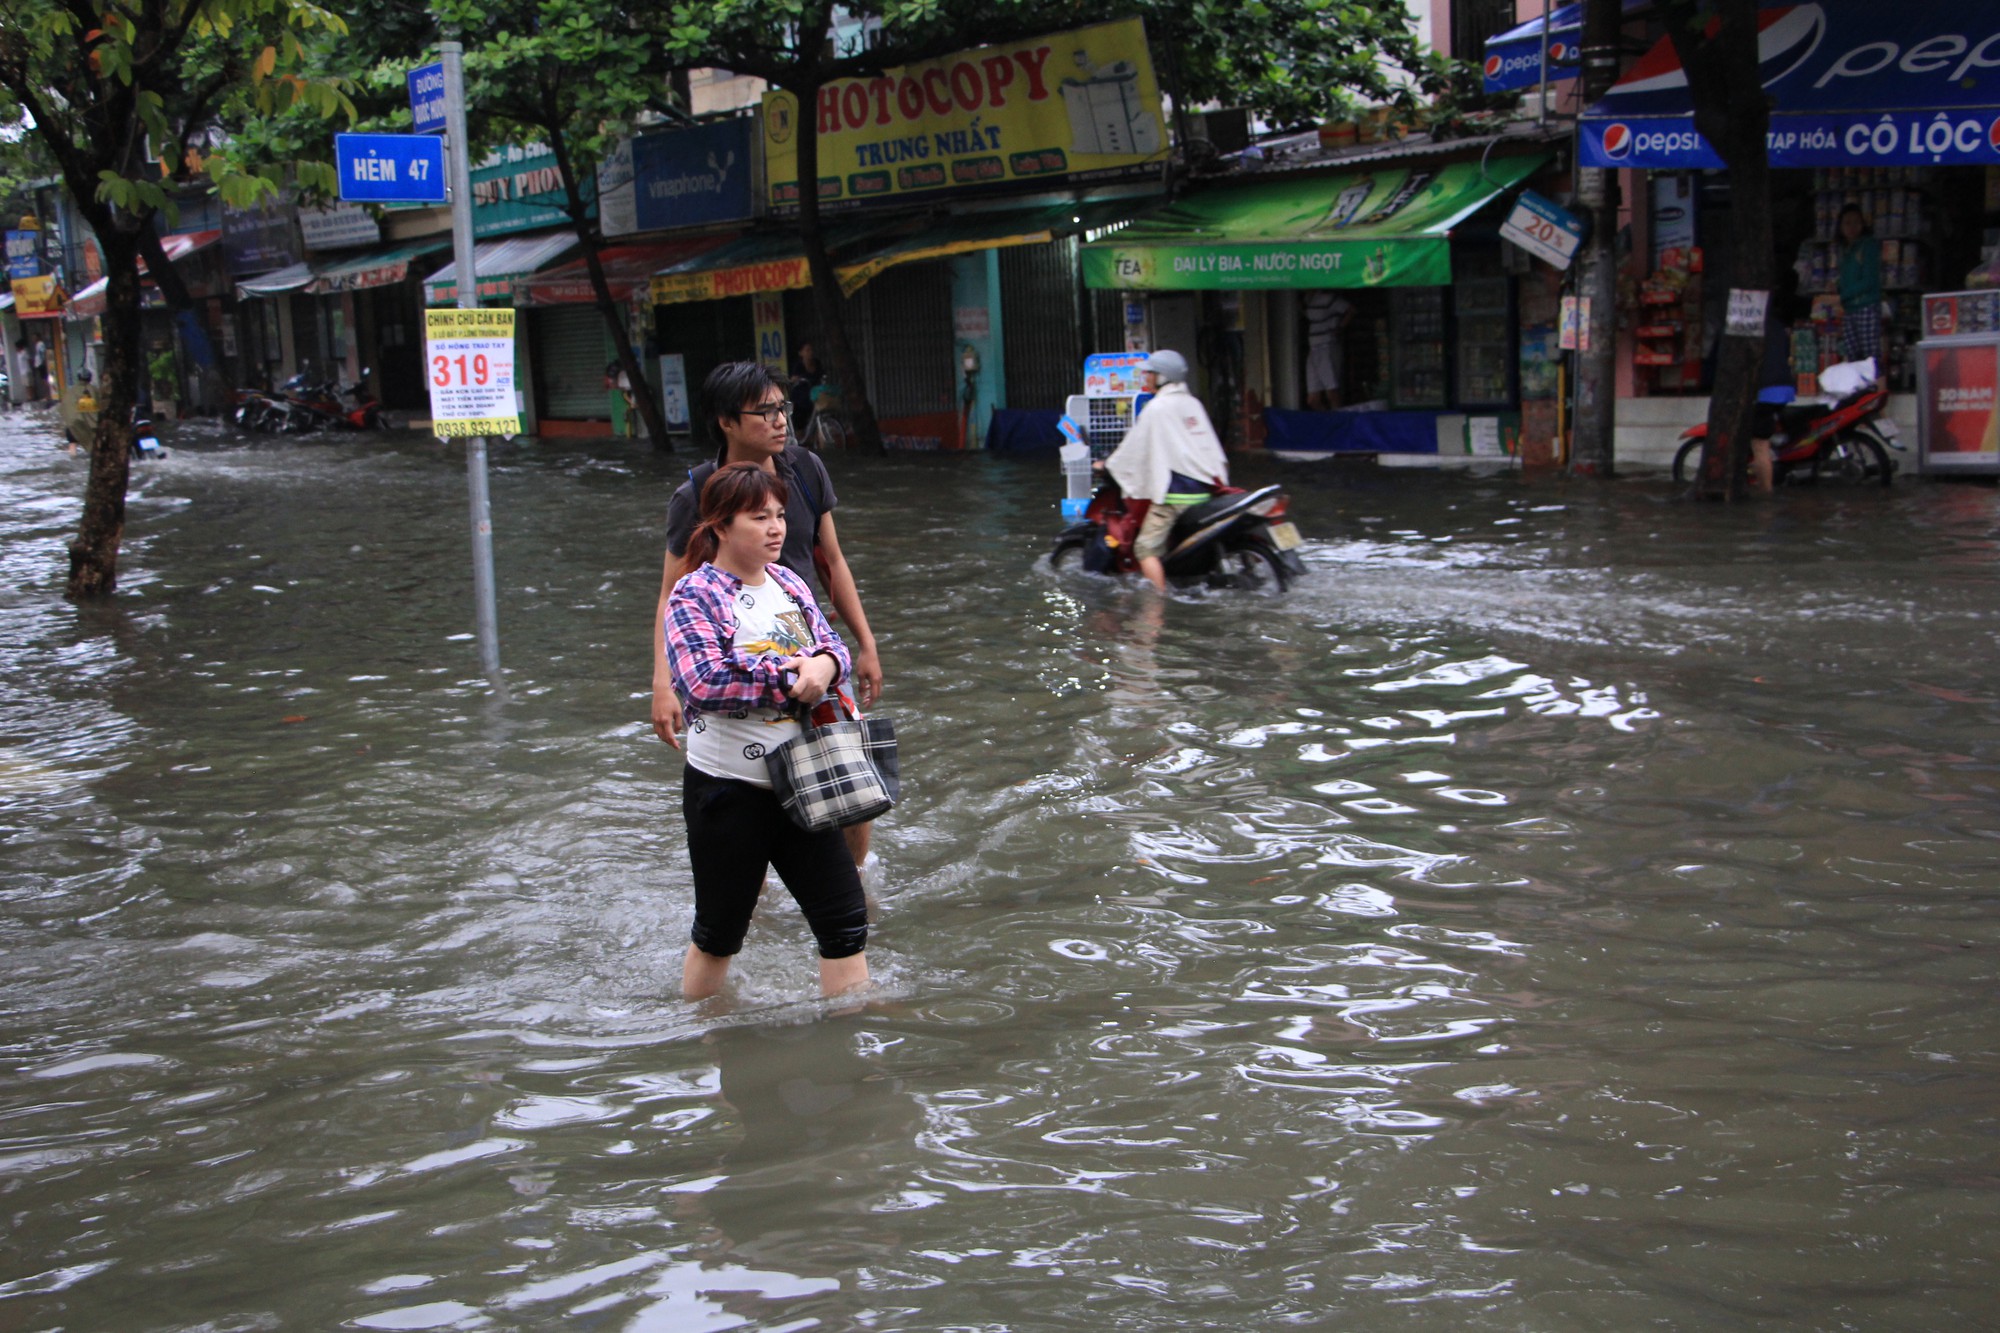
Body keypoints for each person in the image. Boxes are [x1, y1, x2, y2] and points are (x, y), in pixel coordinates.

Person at [652, 360, 883, 867]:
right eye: (765, 412)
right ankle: (751, 906)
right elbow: (673, 596)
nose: (781, 421)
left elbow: (832, 561)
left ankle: (851, 887)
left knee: (851, 780)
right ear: (727, 422)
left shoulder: (806, 470)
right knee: (749, 794)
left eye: (784, 408)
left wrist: (863, 645)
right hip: (738, 664)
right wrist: (664, 684)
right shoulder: (697, 494)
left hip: (813, 650)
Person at [665, 462, 869, 1000]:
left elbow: (833, 647)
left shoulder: (790, 581)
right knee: (720, 932)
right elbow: (702, 682)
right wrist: (792, 679)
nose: (777, 527)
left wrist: (826, 665)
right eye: (760, 517)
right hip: (729, 792)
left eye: (780, 515)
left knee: (845, 924)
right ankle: (710, 1047)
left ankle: (851, 1056)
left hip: (805, 782)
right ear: (720, 525)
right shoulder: (695, 594)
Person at [1103, 349, 1229, 595]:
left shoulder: (1157, 407)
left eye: (1149, 373)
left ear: (1162, 377)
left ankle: (1157, 603)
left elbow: (1133, 450)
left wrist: (1108, 465)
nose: (1145, 378)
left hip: (1177, 496)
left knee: (1145, 549)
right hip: (1207, 490)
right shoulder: (1193, 404)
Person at [1835, 204, 1883, 369]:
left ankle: (1878, 391)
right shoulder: (1845, 250)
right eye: (1847, 223)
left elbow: (1869, 280)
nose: (1852, 227)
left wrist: (1842, 296)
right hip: (1850, 309)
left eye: (1856, 222)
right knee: (1853, 357)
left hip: (1866, 306)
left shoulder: (1868, 246)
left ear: (1863, 225)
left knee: (1871, 357)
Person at [1302, 290, 1353, 410]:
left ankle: (1338, 420)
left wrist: (1339, 328)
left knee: (1331, 391)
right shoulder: (1309, 301)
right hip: (1313, 347)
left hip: (1326, 346)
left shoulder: (1328, 298)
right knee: (1312, 399)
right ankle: (1327, 421)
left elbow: (1351, 310)